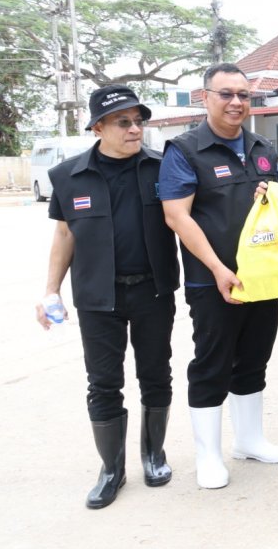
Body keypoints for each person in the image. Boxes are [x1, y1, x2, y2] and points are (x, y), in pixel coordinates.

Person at [36, 86, 179, 509]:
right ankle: (112, 468)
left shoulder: (163, 168)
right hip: (98, 298)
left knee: (156, 374)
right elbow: (64, 234)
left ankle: (154, 454)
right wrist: (49, 290)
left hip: (153, 291)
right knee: (103, 383)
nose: (135, 129)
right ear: (98, 127)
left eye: (139, 121)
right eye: (124, 122)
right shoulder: (67, 176)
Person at [160, 62, 278, 489]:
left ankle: (249, 440)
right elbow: (177, 216)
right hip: (210, 280)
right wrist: (218, 268)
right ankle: (208, 455)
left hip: (262, 280)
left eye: (243, 95)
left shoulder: (261, 147)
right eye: (226, 94)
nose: (236, 103)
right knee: (212, 364)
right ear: (205, 98)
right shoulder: (185, 149)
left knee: (254, 359)